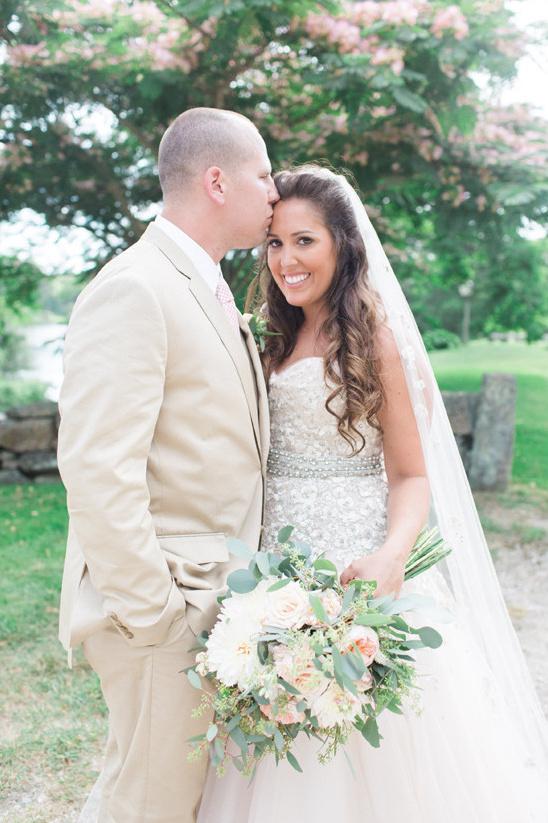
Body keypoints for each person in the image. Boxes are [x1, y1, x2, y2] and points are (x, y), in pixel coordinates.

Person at [196, 165, 548, 822]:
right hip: (275, 571)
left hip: (360, 569)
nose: (286, 260)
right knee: (280, 739)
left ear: (343, 244)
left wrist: (392, 554)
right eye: (274, 242)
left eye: (305, 241)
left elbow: (413, 475)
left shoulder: (375, 339)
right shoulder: (265, 336)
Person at [57, 107, 278, 823]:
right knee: (145, 807)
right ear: (218, 181)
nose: (275, 191)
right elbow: (97, 467)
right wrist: (157, 616)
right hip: (162, 612)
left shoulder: (205, 286)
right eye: (263, 172)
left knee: (160, 801)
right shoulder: (136, 288)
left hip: (214, 604)